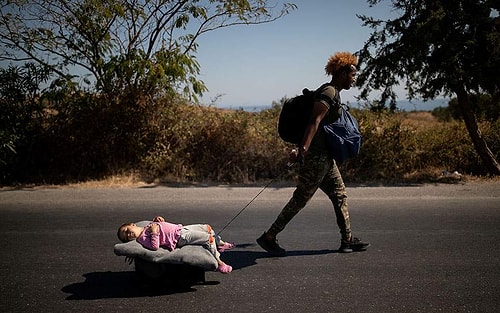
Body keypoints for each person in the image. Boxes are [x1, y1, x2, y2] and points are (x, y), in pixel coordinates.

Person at [257, 52, 370, 256]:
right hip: (316, 157)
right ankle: (270, 236)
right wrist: (303, 150)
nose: (354, 79)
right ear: (342, 72)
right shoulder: (328, 92)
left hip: (325, 157)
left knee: (339, 194)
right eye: (352, 75)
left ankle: (347, 239)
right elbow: (314, 121)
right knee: (301, 198)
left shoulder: (334, 92)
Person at [117, 216, 235, 273]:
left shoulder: (146, 225)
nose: (128, 235)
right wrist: (154, 233)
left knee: (207, 228)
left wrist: (159, 220)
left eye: (126, 231)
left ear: (132, 225)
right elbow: (154, 246)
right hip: (179, 238)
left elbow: (162, 226)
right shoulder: (142, 238)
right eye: (126, 237)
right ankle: (219, 263)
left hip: (181, 228)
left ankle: (221, 244)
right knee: (208, 239)